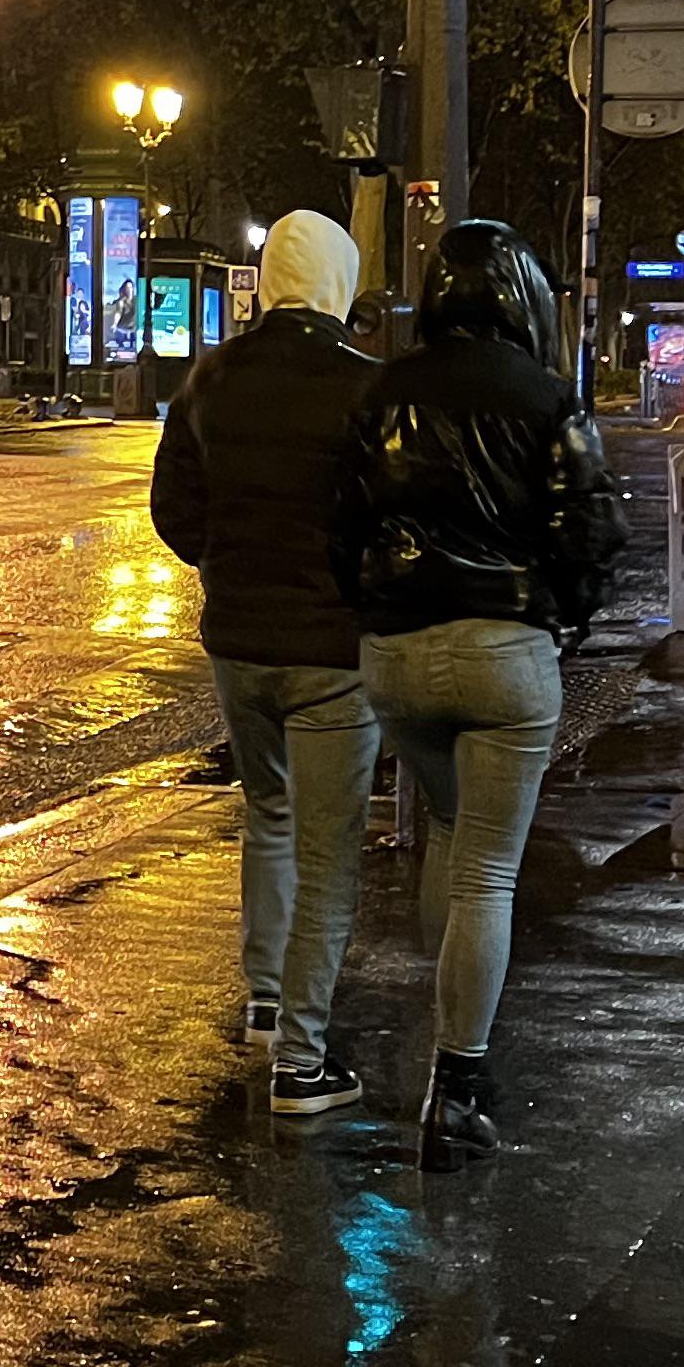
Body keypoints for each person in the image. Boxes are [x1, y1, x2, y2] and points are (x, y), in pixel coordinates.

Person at [334, 223, 627, 1169]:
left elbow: (341, 527)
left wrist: (375, 608)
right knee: (487, 872)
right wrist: (568, 614)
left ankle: (444, 1027)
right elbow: (590, 529)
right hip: (505, 651)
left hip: (397, 655)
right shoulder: (545, 396)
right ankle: (460, 1083)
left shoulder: (382, 390)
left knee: (450, 833)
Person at [150, 211, 380, 1118]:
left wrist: (226, 564)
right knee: (330, 848)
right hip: (333, 648)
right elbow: (388, 516)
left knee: (269, 813)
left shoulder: (212, 377)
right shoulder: (364, 385)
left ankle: (264, 999)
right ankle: (303, 1059)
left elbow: (174, 508)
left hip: (238, 640)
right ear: (338, 282)